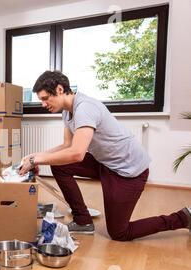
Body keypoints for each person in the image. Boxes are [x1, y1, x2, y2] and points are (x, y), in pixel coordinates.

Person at [19, 70, 190, 241]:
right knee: (60, 166)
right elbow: (67, 145)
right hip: (106, 163)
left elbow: (77, 153)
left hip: (128, 171)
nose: (42, 104)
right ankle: (83, 221)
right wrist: (35, 155)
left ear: (59, 90)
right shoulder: (66, 111)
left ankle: (183, 218)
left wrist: (36, 160)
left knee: (119, 233)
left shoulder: (85, 108)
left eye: (44, 98)